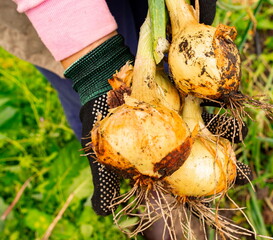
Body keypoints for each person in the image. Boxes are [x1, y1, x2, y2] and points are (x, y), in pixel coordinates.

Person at [2, 0, 229, 239]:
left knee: (174, 64)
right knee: (97, 100)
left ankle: (184, 165)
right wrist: (92, 64)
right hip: (54, 12)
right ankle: (156, 194)